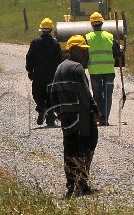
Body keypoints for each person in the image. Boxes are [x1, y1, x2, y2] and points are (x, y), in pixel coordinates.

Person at [49, 35, 99, 198]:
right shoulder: (77, 68)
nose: (85, 54)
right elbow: (85, 93)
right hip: (82, 116)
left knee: (70, 150)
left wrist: (59, 113)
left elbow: (53, 92)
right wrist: (94, 110)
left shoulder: (59, 67)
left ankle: (71, 185)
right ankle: (82, 185)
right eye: (83, 51)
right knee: (87, 147)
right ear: (75, 50)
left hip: (67, 117)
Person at [85, 11, 122, 125]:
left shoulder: (87, 37)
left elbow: (84, 55)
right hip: (108, 71)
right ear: (102, 23)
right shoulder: (110, 36)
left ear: (91, 24)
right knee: (108, 94)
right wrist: (120, 51)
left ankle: (99, 115)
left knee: (96, 95)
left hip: (95, 71)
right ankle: (105, 118)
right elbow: (117, 54)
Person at [26, 18, 63, 127]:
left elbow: (29, 57)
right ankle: (50, 118)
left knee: (37, 94)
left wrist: (29, 70)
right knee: (51, 96)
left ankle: (42, 108)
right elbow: (59, 59)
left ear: (41, 29)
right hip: (52, 75)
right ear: (51, 29)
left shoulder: (35, 42)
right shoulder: (55, 43)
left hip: (38, 75)